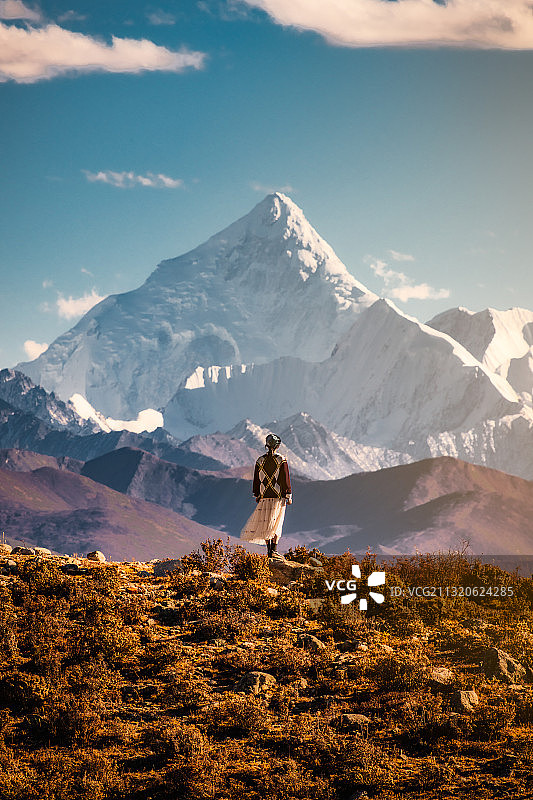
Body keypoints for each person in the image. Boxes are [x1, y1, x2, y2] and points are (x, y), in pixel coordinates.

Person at [240, 433, 292, 558]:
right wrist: (288, 494)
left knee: (265, 522)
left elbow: (256, 480)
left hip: (264, 496)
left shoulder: (260, 460)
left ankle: (269, 551)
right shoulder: (281, 459)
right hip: (278, 496)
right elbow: (285, 478)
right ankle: (274, 550)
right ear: (278, 446)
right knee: (276, 522)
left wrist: (257, 494)